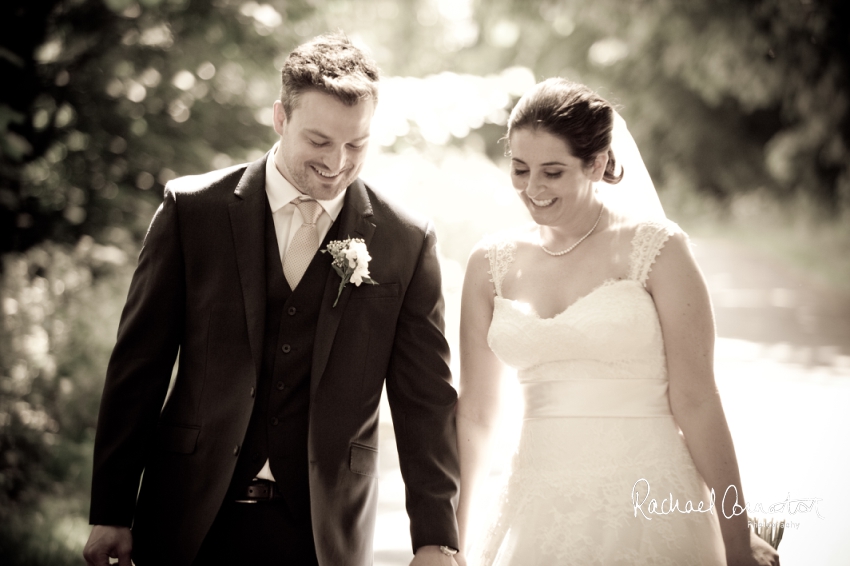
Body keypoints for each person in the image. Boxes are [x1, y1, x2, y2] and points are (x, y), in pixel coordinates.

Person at [82, 32, 460, 566]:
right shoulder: (194, 212)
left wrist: (435, 538)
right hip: (189, 516)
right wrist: (111, 510)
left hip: (323, 531)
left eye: (357, 144)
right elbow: (137, 366)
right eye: (320, 141)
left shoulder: (406, 239)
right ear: (280, 117)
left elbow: (427, 401)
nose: (338, 162)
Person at [455, 78, 780, 565]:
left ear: (598, 163)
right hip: (537, 505)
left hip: (650, 501)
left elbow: (697, 400)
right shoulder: (490, 263)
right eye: (520, 169)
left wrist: (736, 540)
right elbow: (476, 416)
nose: (533, 189)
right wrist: (448, 542)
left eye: (553, 172)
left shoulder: (657, 249)